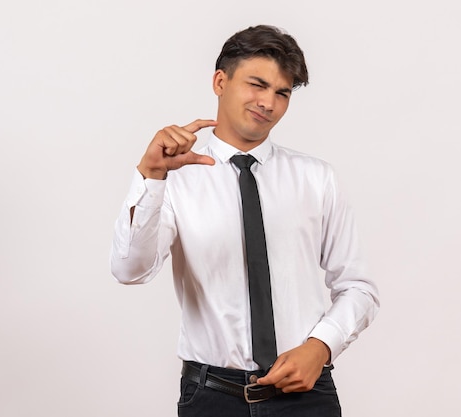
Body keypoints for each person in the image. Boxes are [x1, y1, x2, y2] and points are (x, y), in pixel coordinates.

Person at [110, 24, 380, 417]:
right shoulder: (175, 179)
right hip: (211, 397)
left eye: (282, 93)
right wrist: (151, 178)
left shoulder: (317, 178)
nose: (268, 102)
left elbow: (358, 287)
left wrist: (320, 347)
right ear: (221, 81)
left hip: (307, 395)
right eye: (257, 84)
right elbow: (129, 270)